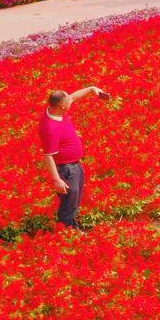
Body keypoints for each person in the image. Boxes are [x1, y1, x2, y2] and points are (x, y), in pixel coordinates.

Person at [39, 84, 108, 230]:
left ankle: (72, 228)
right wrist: (56, 179)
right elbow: (48, 156)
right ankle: (66, 233)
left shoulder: (55, 110)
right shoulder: (50, 128)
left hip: (75, 165)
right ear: (62, 106)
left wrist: (91, 89)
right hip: (67, 169)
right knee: (69, 202)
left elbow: (73, 96)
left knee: (74, 200)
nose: (71, 100)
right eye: (68, 101)